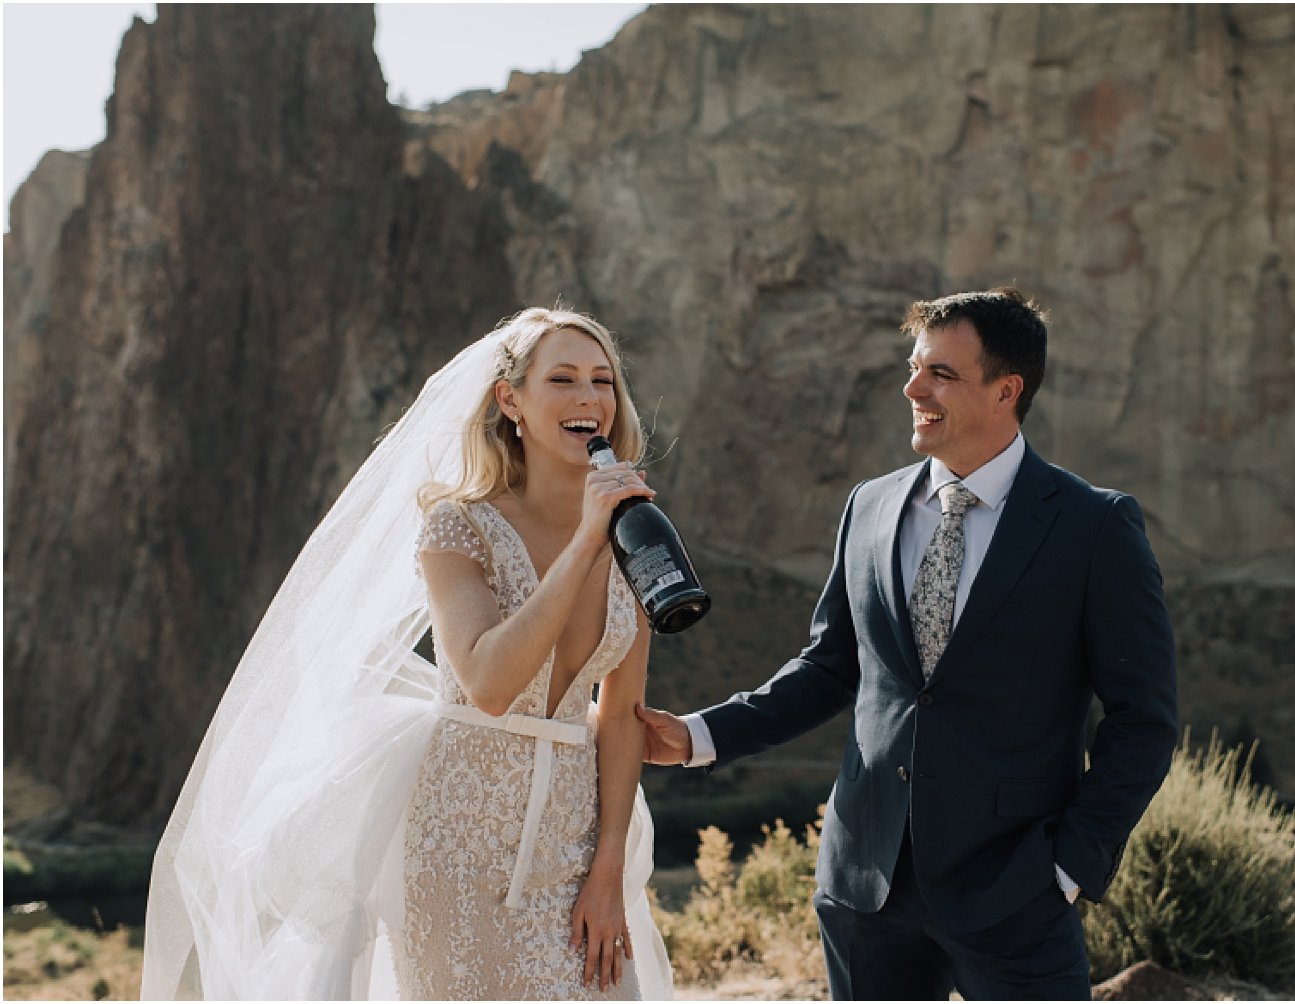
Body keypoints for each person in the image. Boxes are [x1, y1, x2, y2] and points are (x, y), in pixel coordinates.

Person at [637, 288, 1178, 1000]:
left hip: (1016, 894)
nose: (912, 388)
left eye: (941, 374)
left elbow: (1143, 719)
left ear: (1006, 391)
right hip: (865, 888)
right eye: (914, 367)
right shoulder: (870, 505)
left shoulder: (1095, 526)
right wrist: (699, 736)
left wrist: (1070, 867)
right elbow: (829, 668)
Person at [142, 308, 674, 1001]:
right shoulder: (459, 525)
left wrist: (607, 873)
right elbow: (489, 683)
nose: (589, 397)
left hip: (576, 848)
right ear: (510, 400)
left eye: (602, 381)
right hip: (458, 850)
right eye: (563, 379)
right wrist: (584, 542)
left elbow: (621, 715)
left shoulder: (635, 533)